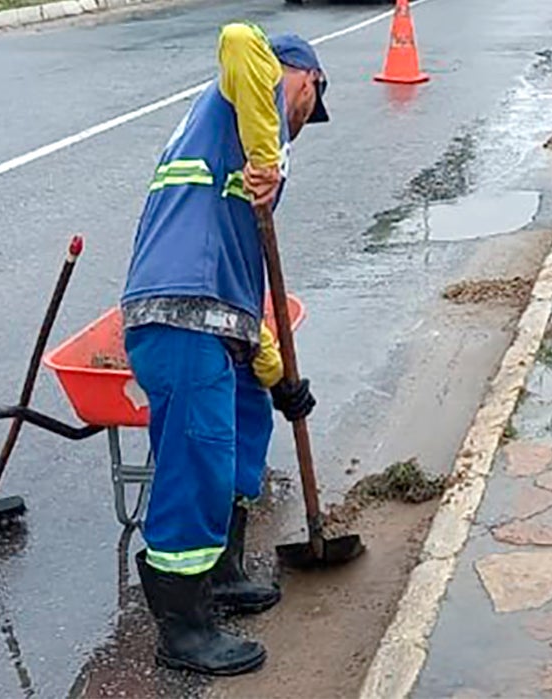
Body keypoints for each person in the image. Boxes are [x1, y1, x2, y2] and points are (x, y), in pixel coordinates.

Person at [120, 23, 329, 676]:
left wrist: (278, 378)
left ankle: (223, 572)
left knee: (242, 430)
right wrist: (268, 148)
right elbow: (239, 37)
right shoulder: (244, 104)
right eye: (307, 102)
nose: (303, 118)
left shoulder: (242, 141)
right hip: (180, 313)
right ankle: (182, 631)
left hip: (219, 318)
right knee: (199, 458)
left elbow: (241, 288)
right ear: (303, 78)